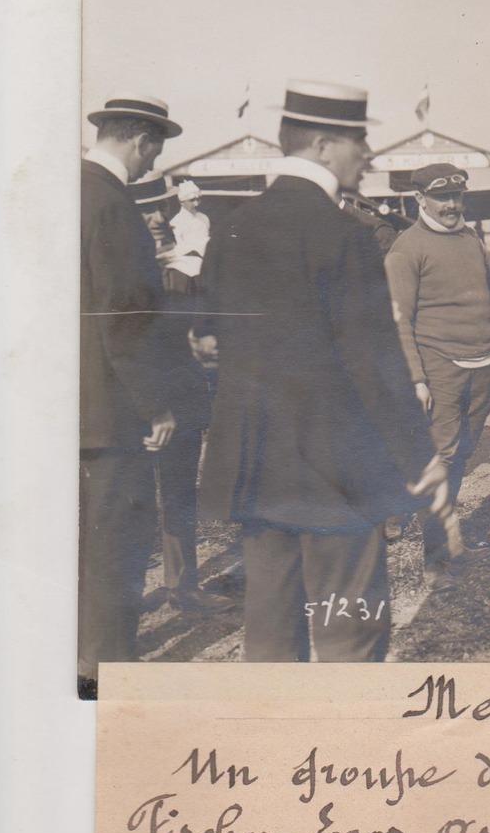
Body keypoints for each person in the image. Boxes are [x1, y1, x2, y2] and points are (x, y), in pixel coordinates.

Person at [196, 80, 447, 662]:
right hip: (337, 478)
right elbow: (375, 363)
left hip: (259, 469)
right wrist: (420, 456)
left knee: (271, 635)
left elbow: (209, 336)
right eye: (360, 140)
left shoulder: (232, 227)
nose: (369, 155)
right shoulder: (346, 237)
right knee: (350, 635)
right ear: (325, 143)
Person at [79, 94, 183, 697]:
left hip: (71, 401)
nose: (152, 166)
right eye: (155, 151)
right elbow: (123, 316)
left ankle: (82, 654)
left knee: (81, 538)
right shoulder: (114, 204)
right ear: (142, 141)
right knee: (116, 536)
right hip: (113, 407)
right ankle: (106, 665)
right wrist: (155, 402)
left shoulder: (68, 189)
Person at [384, 162, 490, 590]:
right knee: (442, 460)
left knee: (461, 459)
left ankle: (454, 545)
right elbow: (399, 322)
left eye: (458, 196)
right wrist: (417, 379)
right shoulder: (406, 249)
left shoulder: (471, 238)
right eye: (442, 197)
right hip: (440, 370)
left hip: (484, 366)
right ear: (420, 200)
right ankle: (434, 562)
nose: (452, 205)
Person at [129, 176, 231, 617]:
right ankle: (123, 600)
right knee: (128, 504)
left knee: (178, 494)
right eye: (144, 211)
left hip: (182, 401)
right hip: (135, 403)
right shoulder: (117, 270)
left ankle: (182, 585)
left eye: (161, 209)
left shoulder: (186, 270)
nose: (155, 219)